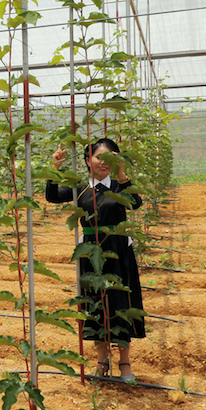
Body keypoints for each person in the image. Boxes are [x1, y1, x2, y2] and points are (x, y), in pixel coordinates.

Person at [46, 138, 145, 382]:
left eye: (112, 157)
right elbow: (52, 196)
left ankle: (125, 362)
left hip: (118, 249)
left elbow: (135, 203)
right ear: (88, 160)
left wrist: (123, 174)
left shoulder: (119, 186)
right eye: (100, 157)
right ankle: (101, 359)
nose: (105, 162)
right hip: (90, 251)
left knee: (121, 301)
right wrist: (54, 169)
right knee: (94, 302)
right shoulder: (79, 188)